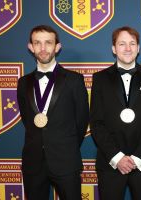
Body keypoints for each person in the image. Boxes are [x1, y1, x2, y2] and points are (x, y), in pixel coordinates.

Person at [17, 25, 89, 200]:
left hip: (65, 160)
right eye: (37, 43)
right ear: (30, 47)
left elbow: (81, 121)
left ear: (57, 47)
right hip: (33, 162)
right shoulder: (23, 83)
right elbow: (28, 120)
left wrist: (65, 145)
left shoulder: (74, 80)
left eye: (48, 43)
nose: (43, 48)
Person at [90, 26, 141, 200]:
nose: (127, 48)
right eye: (122, 44)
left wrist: (137, 158)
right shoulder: (99, 79)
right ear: (114, 49)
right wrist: (118, 157)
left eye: (132, 43)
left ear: (138, 48)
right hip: (111, 162)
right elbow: (97, 123)